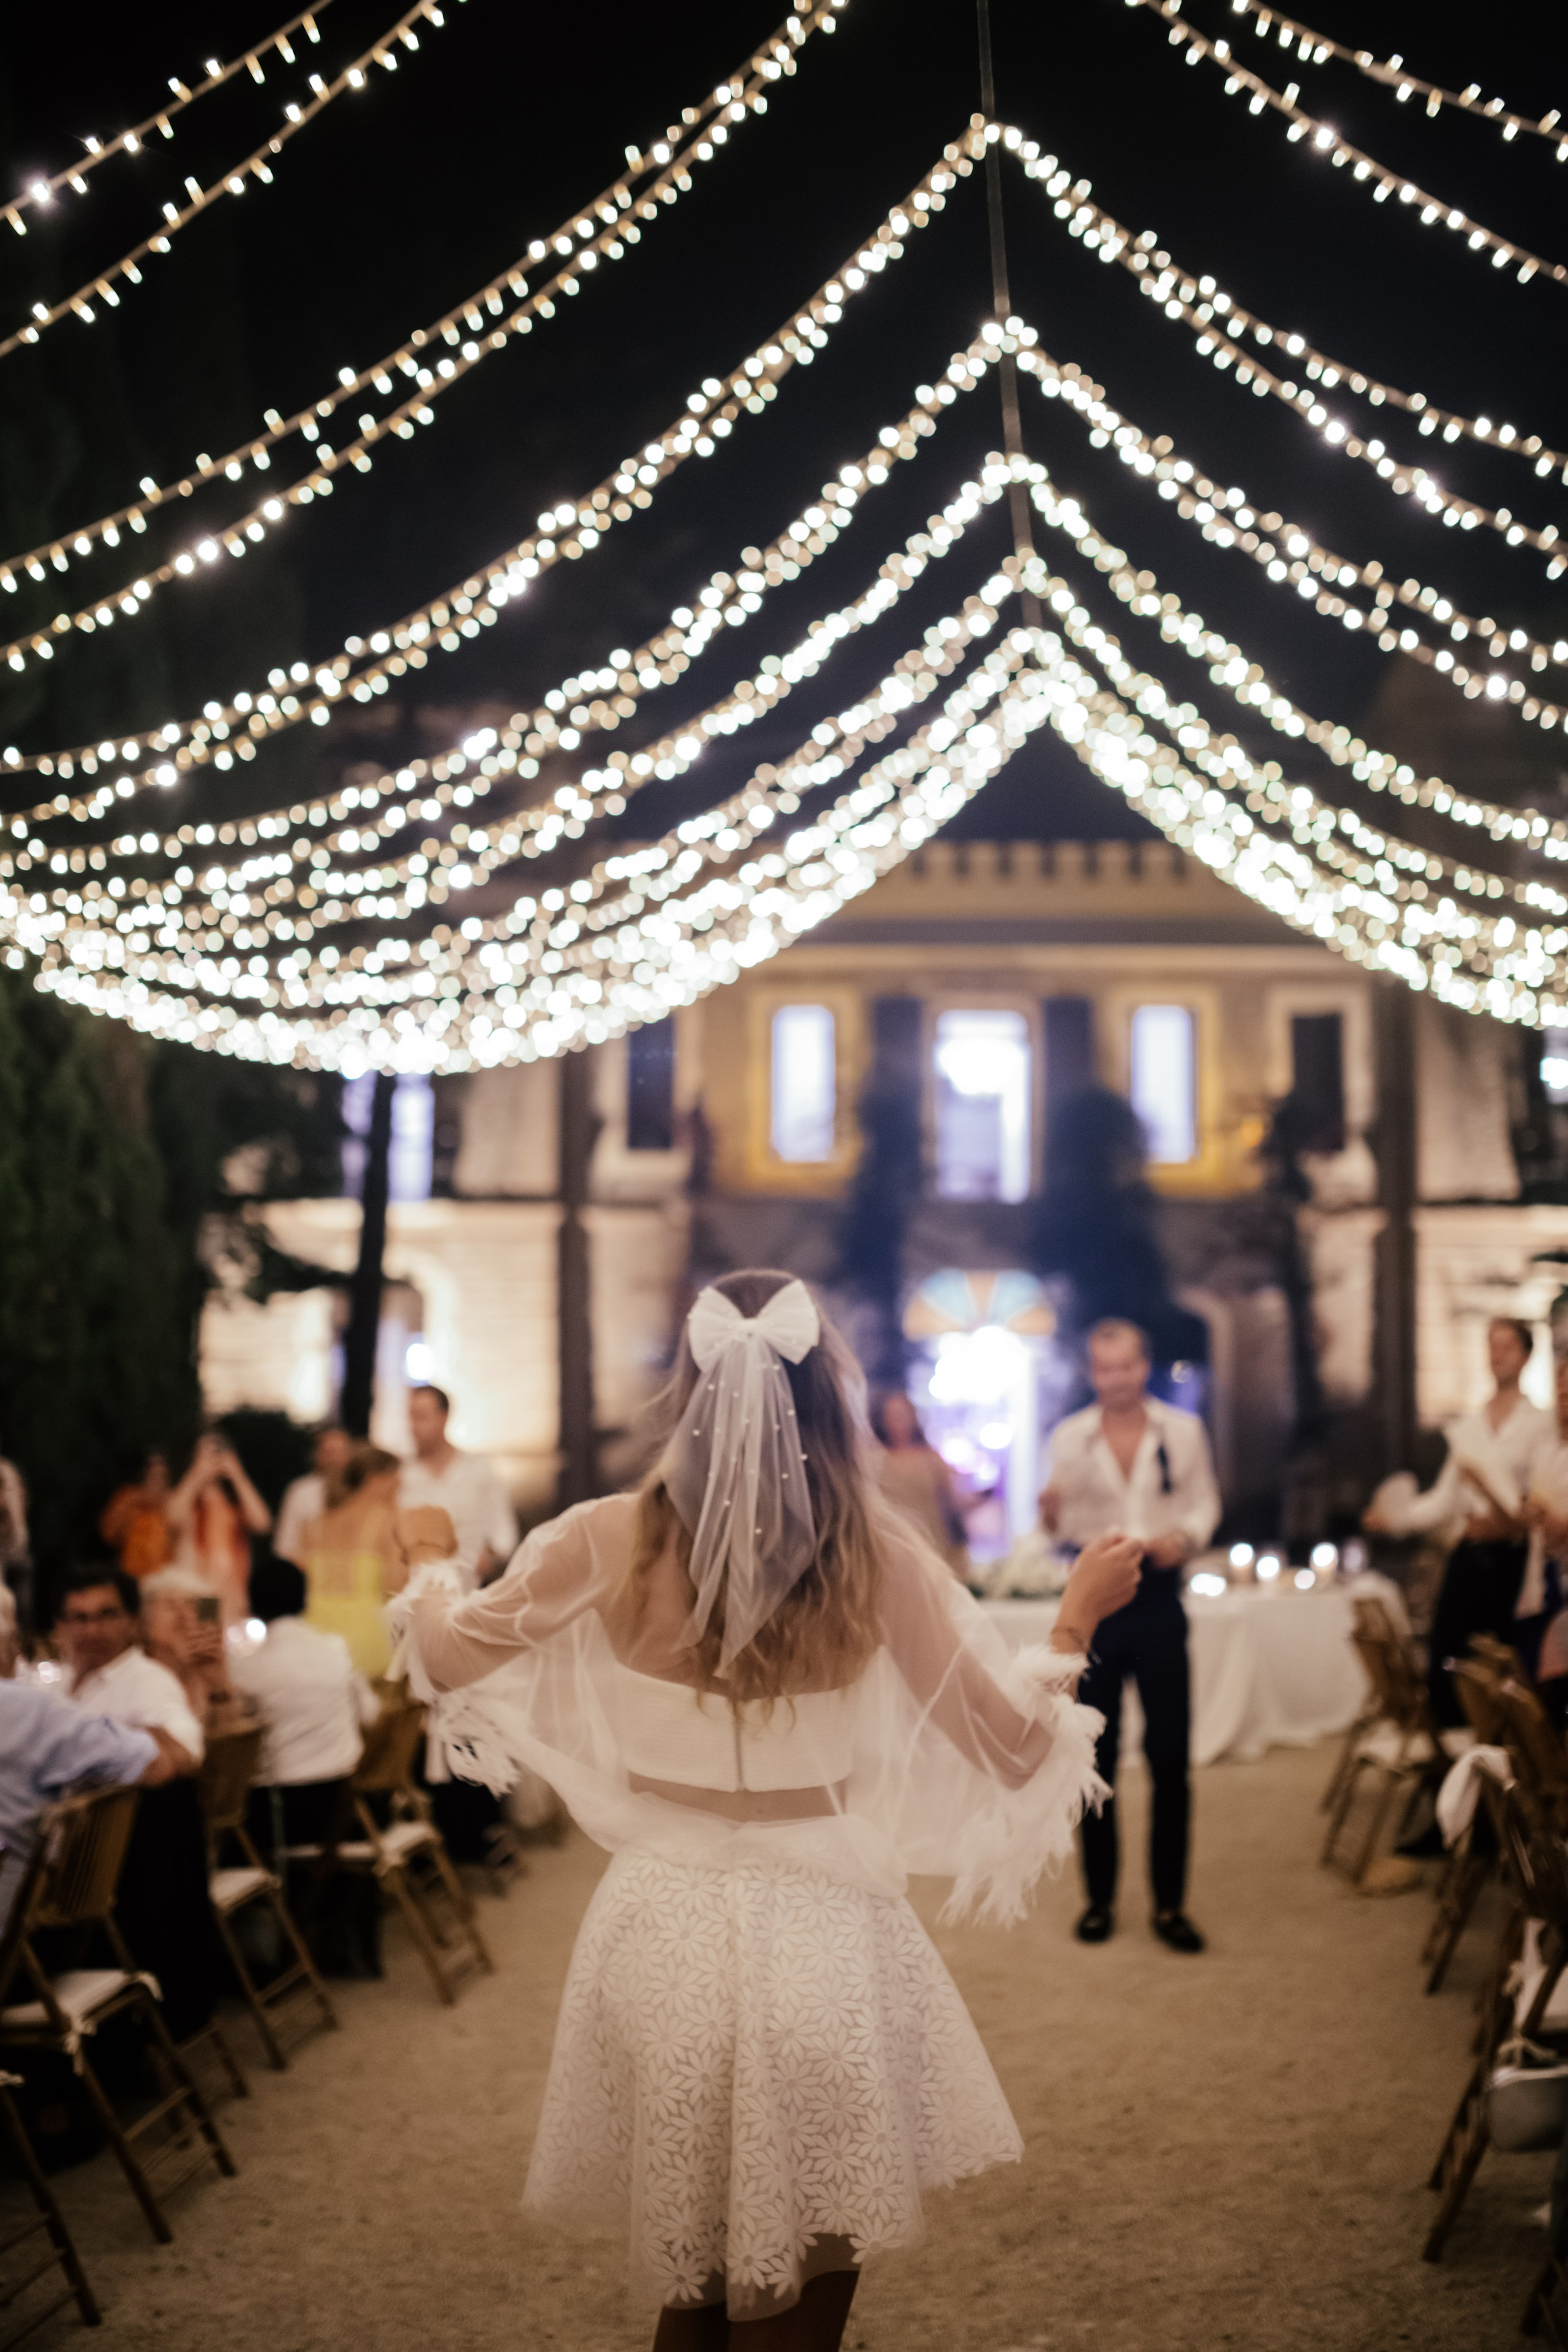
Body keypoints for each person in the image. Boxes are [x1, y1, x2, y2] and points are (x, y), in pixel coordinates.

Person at [395, 1269, 1141, 2348]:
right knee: (809, 2290)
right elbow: (1015, 1751)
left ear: (693, 1388)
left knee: (691, 2288)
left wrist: (427, 1558)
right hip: (823, 1940)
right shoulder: (876, 1561)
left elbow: (446, 1650)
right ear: (820, 1393)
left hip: (658, 1936)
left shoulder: (605, 1540)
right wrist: (1073, 1621)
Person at [1039, 1317, 1221, 1954]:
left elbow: (1204, 1505)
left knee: (1171, 1760)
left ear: (1143, 1366)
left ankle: (1170, 1906)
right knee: (1096, 1759)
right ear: (1092, 1372)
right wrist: (1049, 1518)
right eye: (1103, 1368)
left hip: (1160, 1597)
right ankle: (1099, 1900)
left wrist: (1183, 1539)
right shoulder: (1068, 1437)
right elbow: (1052, 1527)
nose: (1115, 1379)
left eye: (1125, 1366)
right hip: (1099, 1607)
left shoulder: (1183, 1430)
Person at [55, 1566, 222, 2040]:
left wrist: (110, 1744)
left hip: (84, 1882)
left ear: (131, 1622)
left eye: (106, 1615)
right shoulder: (58, 1686)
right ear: (60, 1627)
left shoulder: (144, 1681)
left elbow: (186, 1750)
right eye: (79, 1618)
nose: (92, 1630)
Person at [1363, 1316, 1553, 1723]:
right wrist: (1394, 1519)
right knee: (1450, 1656)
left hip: (1512, 1561)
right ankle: (1456, 1759)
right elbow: (1443, 1500)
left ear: (1525, 1356)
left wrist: (1504, 1517)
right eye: (1491, 1345)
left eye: (1506, 1346)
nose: (1497, 1355)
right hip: (1470, 1556)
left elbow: (1541, 1494)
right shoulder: (1469, 1427)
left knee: (1502, 1663)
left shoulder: (1538, 1423)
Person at [232, 1556, 383, 1974]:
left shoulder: (246, 1669)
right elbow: (371, 1714)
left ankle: (249, 1962)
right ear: (304, 1598)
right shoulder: (334, 1650)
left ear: (252, 1603)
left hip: (281, 1813)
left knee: (221, 1830)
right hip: (343, 1806)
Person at [300, 1445, 458, 1678]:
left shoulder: (315, 1523)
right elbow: (398, 1585)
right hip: (366, 1646)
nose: (401, 1486)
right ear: (376, 1480)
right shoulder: (389, 1520)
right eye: (396, 1478)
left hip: (315, 1642)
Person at [400, 1385, 516, 1588]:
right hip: (414, 1590)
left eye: (422, 1417)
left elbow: (503, 1526)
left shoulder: (477, 1468)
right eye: (411, 1417)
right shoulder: (401, 1474)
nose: (414, 1426)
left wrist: (491, 1557)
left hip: (470, 1588)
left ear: (443, 1417)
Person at [167, 1431, 274, 1626]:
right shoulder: (190, 1500)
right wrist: (197, 1475)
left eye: (219, 1451)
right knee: (207, 1643)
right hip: (201, 1594)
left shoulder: (233, 1503)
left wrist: (237, 1475)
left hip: (234, 1596)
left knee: (234, 1651)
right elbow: (172, 1518)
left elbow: (262, 1523)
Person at [870, 1392, 967, 1574]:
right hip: (892, 1543)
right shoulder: (873, 1459)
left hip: (932, 1540)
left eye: (903, 1414)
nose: (899, 1420)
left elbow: (952, 1502)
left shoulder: (931, 1459)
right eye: (893, 1415)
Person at [273, 1424, 355, 1569]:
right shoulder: (301, 1491)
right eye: (328, 1452)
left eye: (339, 1452)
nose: (334, 1459)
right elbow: (285, 1546)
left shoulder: (361, 1490)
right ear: (317, 1454)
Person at [99, 1450, 175, 1583]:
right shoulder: (128, 1498)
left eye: (162, 1468)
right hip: (134, 1576)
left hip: (169, 1576)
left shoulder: (177, 1500)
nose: (158, 1472)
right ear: (145, 1472)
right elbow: (109, 1533)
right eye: (153, 1468)